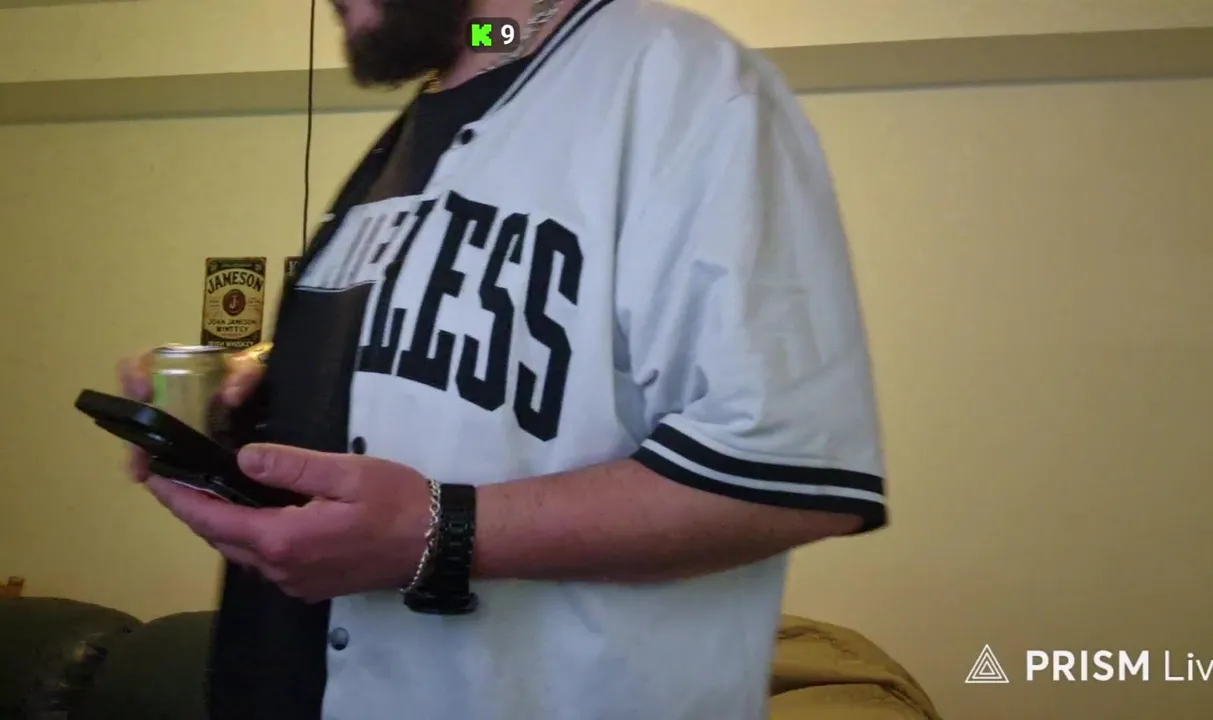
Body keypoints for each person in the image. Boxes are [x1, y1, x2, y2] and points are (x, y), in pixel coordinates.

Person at [117, 0, 888, 718]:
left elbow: (789, 470)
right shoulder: (449, 90)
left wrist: (441, 532)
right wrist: (262, 390)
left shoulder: (682, 78)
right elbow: (428, 365)